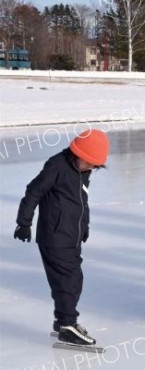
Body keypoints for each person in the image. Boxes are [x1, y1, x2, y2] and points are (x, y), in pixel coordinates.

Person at [14, 129, 110, 346]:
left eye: (95, 165)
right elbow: (34, 191)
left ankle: (62, 322)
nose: (92, 167)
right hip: (54, 236)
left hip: (71, 237)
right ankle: (67, 324)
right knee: (67, 281)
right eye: (90, 162)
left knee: (74, 280)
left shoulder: (83, 171)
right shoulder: (57, 165)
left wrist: (84, 227)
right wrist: (24, 222)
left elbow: (81, 202)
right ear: (79, 153)